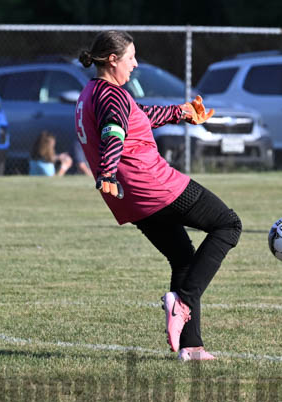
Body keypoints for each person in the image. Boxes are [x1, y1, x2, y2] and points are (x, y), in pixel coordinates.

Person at [75, 30, 241, 362]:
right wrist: (106, 170)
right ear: (112, 59)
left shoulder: (92, 92)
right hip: (153, 185)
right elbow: (113, 131)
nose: (135, 64)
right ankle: (182, 302)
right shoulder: (112, 96)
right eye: (131, 57)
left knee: (182, 257)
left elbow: (139, 118)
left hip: (128, 197)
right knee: (228, 225)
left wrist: (180, 112)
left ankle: (191, 348)